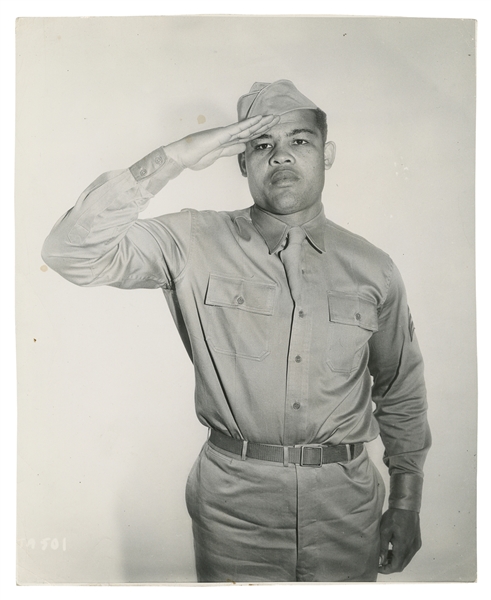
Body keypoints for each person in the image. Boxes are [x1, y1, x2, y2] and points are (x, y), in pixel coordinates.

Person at [42, 80, 431, 583]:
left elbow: (400, 388)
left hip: (347, 508)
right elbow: (69, 252)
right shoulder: (192, 241)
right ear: (241, 162)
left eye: (300, 141)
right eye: (262, 145)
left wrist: (407, 499)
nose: (281, 157)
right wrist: (174, 156)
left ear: (327, 154)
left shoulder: (374, 268)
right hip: (234, 509)